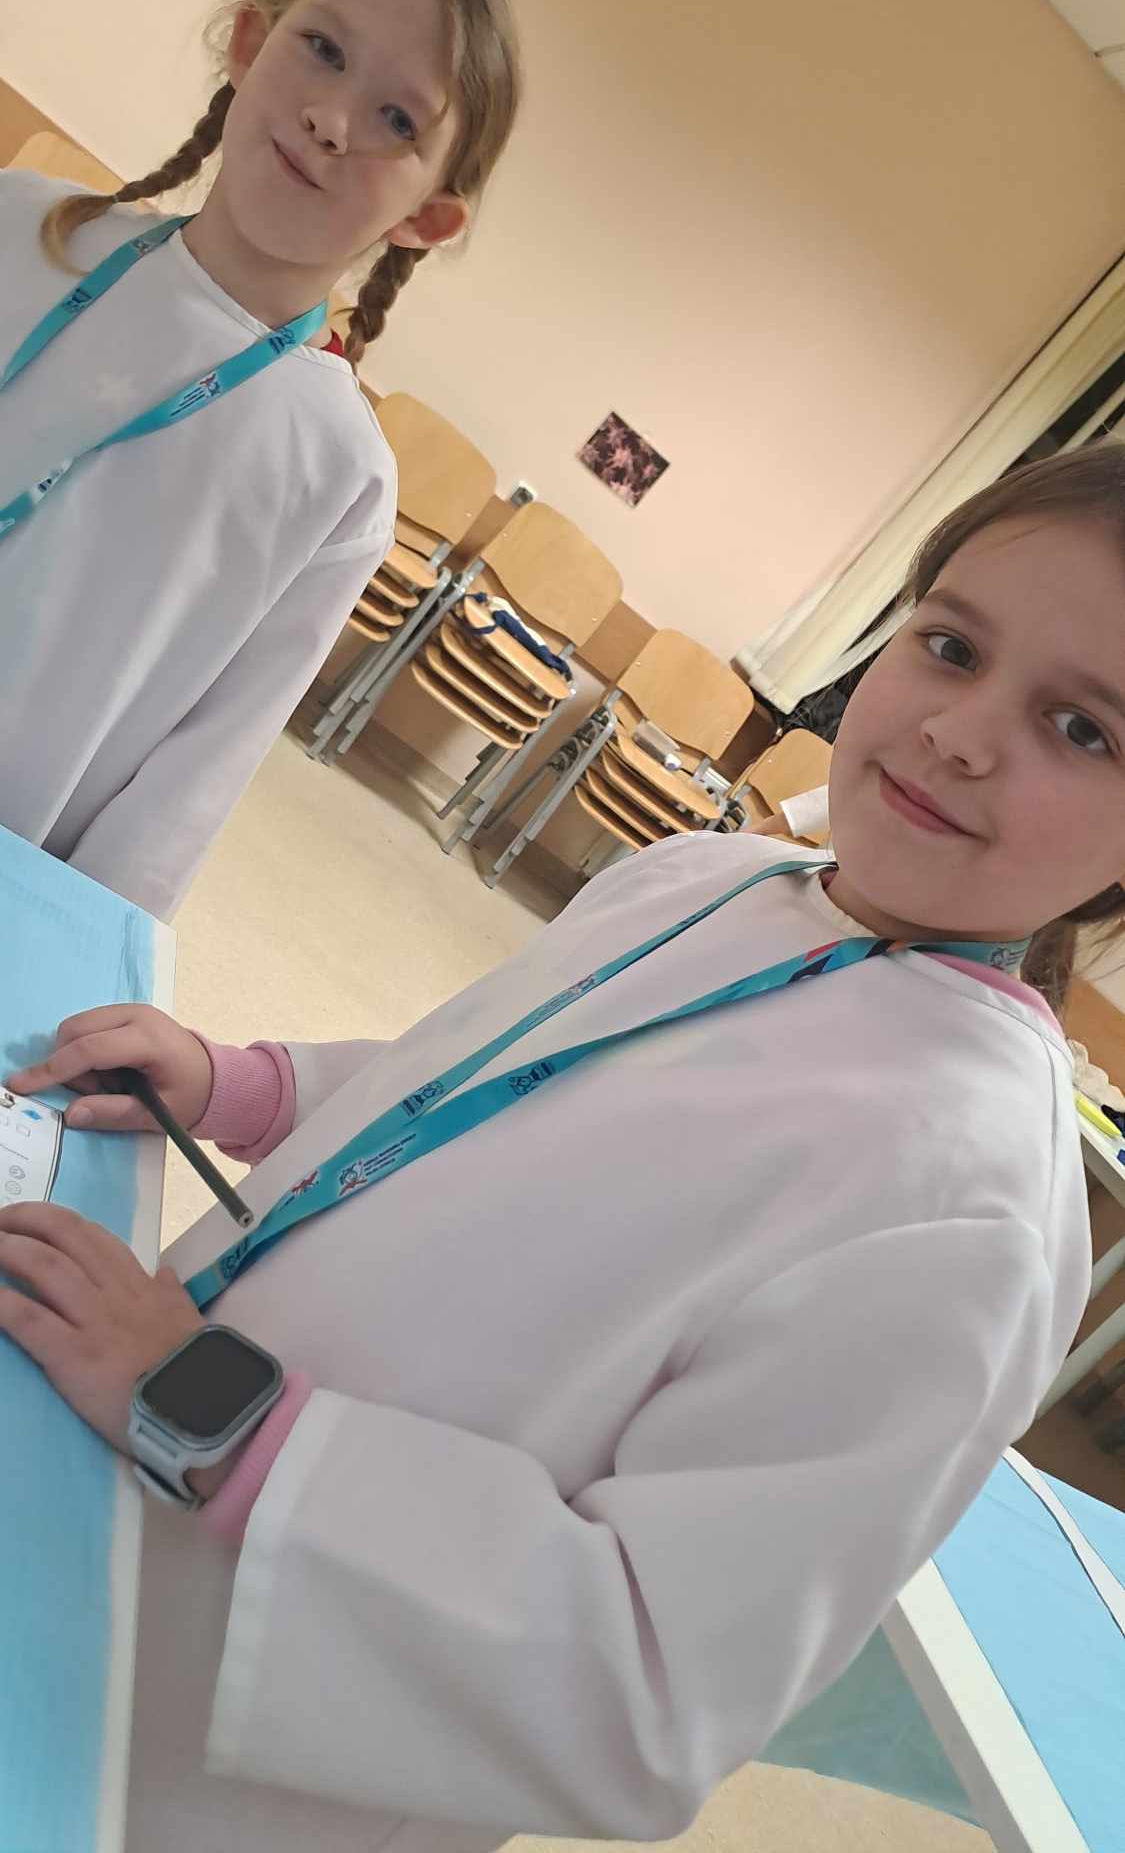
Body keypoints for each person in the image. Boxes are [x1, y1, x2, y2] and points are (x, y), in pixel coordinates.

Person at [7, 442, 1125, 1853]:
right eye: (951, 645)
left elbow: (639, 1687)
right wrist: (245, 1085)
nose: (961, 733)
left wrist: (206, 1406)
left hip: (203, 1743)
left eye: (1082, 729)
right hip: (99, 1470)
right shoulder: (727, 879)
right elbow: (488, 1086)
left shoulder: (969, 1207)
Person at [0, 0, 520, 916]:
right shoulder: (22, 226)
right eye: (323, 49)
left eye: (397, 120)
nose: (332, 120)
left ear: (427, 216)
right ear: (249, 43)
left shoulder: (341, 474)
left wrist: (68, 966)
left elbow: (189, 787)